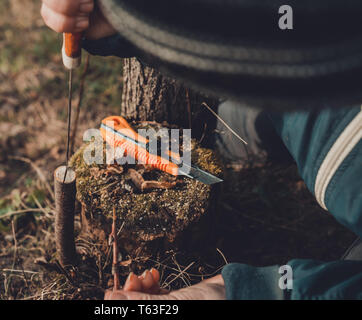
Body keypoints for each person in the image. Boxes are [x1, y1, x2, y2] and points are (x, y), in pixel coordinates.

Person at [40, 0, 362, 299]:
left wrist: (235, 293)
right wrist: (123, 23)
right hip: (296, 101)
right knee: (224, 128)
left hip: (327, 125)